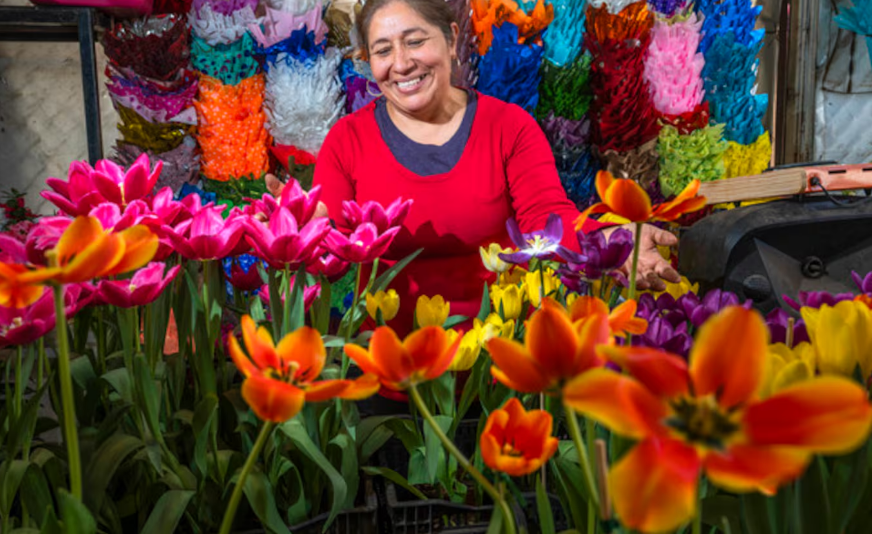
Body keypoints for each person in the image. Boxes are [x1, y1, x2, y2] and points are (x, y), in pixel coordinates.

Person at [268, 0, 680, 331]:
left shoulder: (508, 127)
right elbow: (333, 241)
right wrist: (300, 225)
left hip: (494, 355)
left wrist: (611, 242)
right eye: (382, 50)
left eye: (414, 41)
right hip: (389, 365)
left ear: (450, 39)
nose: (401, 63)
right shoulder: (348, 139)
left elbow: (546, 218)